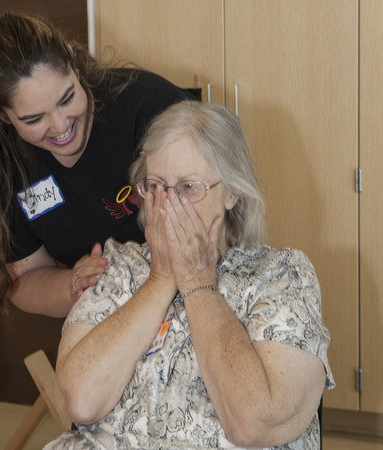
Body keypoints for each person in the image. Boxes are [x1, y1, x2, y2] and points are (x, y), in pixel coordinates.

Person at [48, 101, 335, 449]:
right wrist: (161, 279)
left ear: (231, 191)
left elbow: (253, 424)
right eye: (156, 186)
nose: (169, 205)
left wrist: (198, 282)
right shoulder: (118, 267)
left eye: (188, 188)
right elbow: (78, 400)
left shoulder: (282, 276)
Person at [0, 11, 191, 318]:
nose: (60, 126)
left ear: (72, 62)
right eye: (34, 119)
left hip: (193, 288)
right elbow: (26, 279)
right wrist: (73, 285)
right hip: (111, 314)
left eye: (67, 99)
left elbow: (221, 217)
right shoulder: (4, 166)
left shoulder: (148, 107)